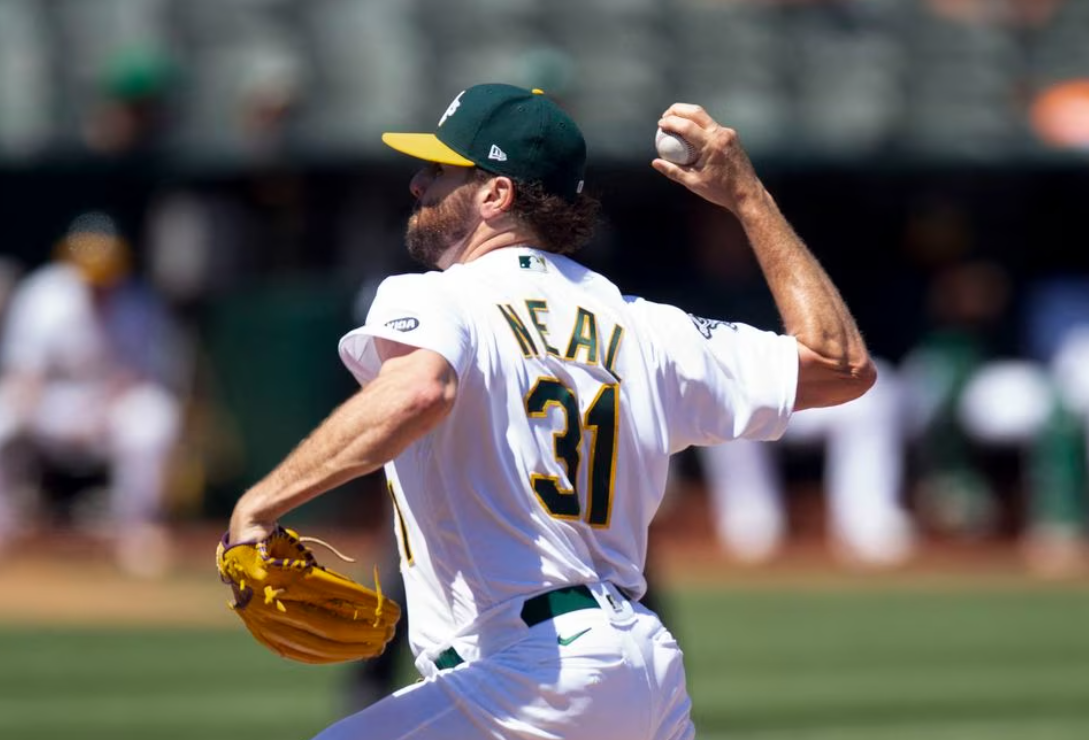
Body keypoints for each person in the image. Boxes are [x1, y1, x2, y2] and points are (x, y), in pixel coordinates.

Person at [226, 83, 876, 740]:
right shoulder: (641, 325)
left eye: (439, 170)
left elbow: (418, 392)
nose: (417, 185)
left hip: (528, 676)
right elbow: (841, 366)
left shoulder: (439, 297)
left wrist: (260, 506)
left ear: (495, 194)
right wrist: (748, 197)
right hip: (638, 668)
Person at [0, 213, 184, 576]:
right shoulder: (45, 294)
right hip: (51, 403)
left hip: (108, 405)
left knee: (153, 418)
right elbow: (24, 375)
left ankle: (136, 529)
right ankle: (5, 521)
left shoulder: (138, 302)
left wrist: (99, 412)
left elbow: (143, 375)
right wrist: (38, 411)